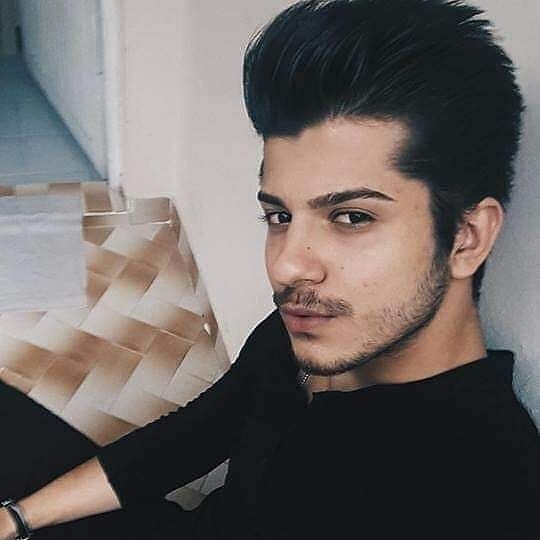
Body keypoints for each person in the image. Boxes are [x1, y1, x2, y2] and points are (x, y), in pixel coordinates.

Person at [1, 0, 538, 538]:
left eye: (352, 216)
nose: (286, 265)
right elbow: (194, 436)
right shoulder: (315, 323)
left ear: (466, 238)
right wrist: (18, 518)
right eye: (280, 215)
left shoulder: (484, 494)